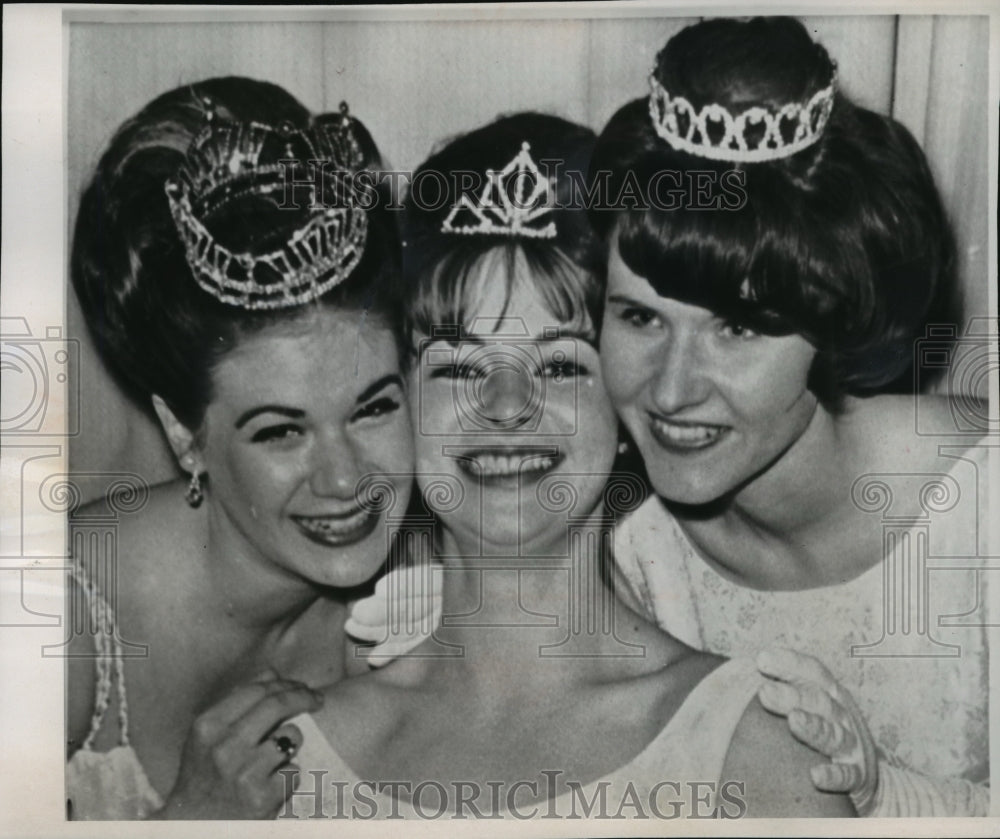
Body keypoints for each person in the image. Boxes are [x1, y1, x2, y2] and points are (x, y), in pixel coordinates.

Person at [280, 113, 854, 820]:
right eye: (459, 364)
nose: (506, 405)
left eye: (558, 364)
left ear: (624, 405)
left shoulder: (750, 750)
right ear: (399, 403)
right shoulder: (290, 759)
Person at [589, 16, 988, 816]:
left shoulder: (983, 510)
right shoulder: (626, 550)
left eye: (737, 328)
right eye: (639, 319)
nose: (671, 392)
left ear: (834, 320)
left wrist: (887, 797)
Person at [67, 76, 417, 819]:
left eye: (374, 406)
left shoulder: (433, 586)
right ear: (182, 434)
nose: (347, 477)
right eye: (281, 430)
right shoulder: (62, 616)